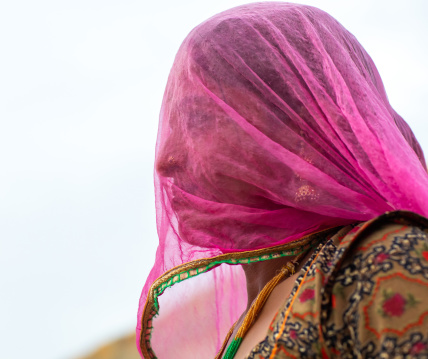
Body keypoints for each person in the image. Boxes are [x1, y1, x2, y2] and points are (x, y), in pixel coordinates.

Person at [137, 3, 428, 358]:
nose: (167, 160)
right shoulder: (251, 315)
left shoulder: (387, 257)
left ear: (289, 124)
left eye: (199, 121)